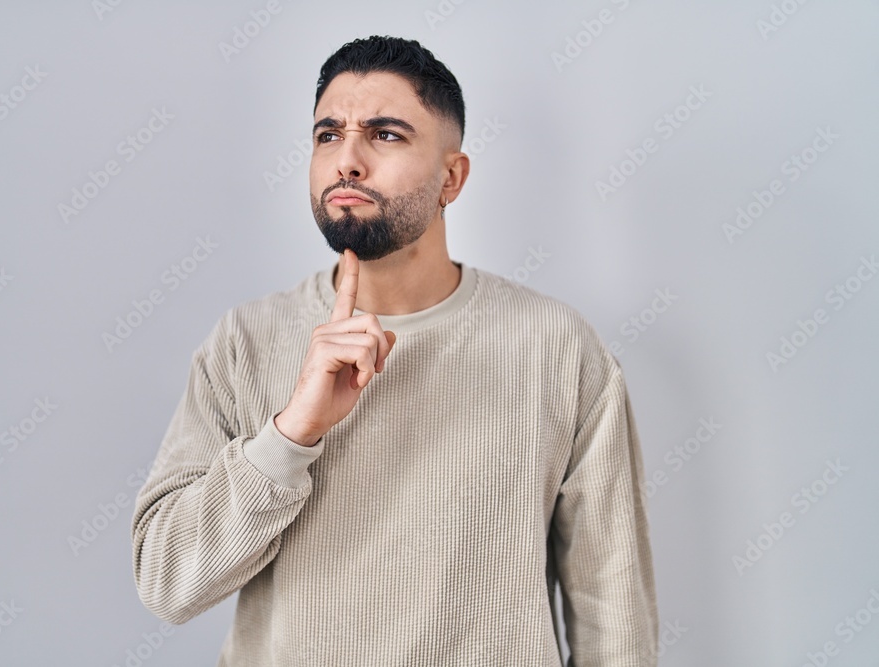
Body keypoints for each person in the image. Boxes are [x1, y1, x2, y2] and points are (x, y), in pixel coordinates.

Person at [131, 35, 659, 666]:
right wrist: (291, 436)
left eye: (385, 135)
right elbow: (168, 584)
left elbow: (612, 605)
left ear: (452, 177)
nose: (347, 160)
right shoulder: (244, 342)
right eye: (328, 135)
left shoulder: (557, 346)